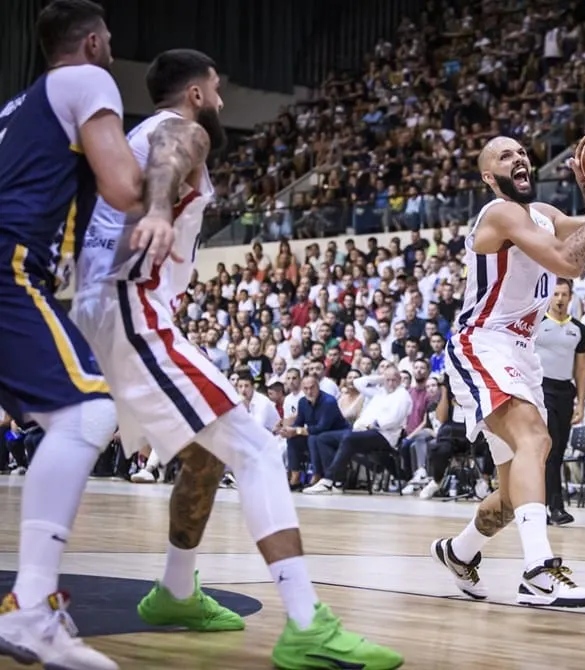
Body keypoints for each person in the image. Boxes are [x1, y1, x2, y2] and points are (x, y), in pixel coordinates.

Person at [70, 49, 402, 669]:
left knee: (204, 454)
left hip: (106, 306)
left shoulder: (130, 137)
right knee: (259, 450)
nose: (221, 102)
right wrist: (164, 210)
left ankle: (174, 591)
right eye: (217, 90)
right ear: (196, 93)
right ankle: (307, 624)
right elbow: (176, 149)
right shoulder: (180, 128)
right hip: (129, 306)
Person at [431, 135, 585, 608]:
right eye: (505, 156)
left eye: (522, 152)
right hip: (483, 341)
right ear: (490, 176)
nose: (519, 158)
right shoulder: (500, 212)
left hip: (521, 352)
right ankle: (538, 572)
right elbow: (570, 261)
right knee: (536, 442)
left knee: (511, 498)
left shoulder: (544, 213)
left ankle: (458, 552)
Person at [0, 1, 149, 666]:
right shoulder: (86, 80)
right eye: (110, 38)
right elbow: (123, 186)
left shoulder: (15, 108)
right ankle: (31, 607)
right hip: (9, 267)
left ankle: (34, 607)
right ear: (92, 41)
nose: (112, 46)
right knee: (86, 413)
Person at [535, 278, 585, 525]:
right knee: (550, 449)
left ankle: (548, 506)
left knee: (558, 451)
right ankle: (553, 506)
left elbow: (581, 369)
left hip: (565, 390)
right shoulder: (537, 324)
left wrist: (581, 402)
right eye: (555, 294)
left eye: (564, 294)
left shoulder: (579, 329)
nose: (559, 299)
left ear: (570, 297)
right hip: (541, 388)